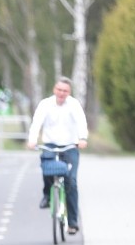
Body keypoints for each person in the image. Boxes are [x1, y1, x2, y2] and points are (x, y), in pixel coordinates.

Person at [26, 77, 88, 235]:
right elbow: (36, 122)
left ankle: (73, 222)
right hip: (50, 144)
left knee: (71, 182)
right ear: (54, 89)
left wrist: (82, 138)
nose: (62, 93)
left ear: (69, 92)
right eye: (59, 90)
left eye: (65, 91)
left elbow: (81, 122)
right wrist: (32, 140)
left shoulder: (73, 104)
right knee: (47, 169)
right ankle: (47, 194)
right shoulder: (45, 104)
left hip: (70, 146)